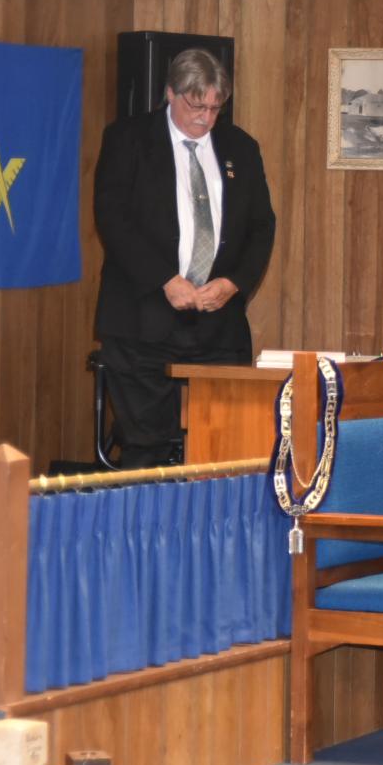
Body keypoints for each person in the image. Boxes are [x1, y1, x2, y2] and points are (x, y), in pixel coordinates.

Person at [93, 47, 275, 468]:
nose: (205, 119)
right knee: (147, 449)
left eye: (215, 108)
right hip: (142, 322)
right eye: (196, 106)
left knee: (225, 452)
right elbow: (113, 219)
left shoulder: (241, 147)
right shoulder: (128, 139)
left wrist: (234, 283)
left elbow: (262, 226)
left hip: (218, 328)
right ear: (170, 93)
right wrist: (165, 279)